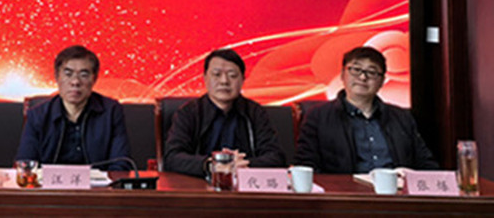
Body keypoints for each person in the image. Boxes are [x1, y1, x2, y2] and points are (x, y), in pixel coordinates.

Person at [294, 46, 438, 173]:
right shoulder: (318, 116)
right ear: (343, 75)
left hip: (395, 191)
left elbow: (425, 163)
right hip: (345, 192)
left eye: (372, 72)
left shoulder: (401, 118)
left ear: (382, 81)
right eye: (356, 70)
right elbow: (306, 166)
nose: (363, 77)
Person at [163, 48, 286, 178]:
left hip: (245, 184)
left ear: (243, 80)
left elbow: (276, 157)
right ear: (205, 78)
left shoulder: (255, 112)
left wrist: (243, 165)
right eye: (217, 74)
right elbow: (172, 157)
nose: (224, 81)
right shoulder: (189, 112)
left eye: (232, 75)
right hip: (200, 185)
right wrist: (211, 165)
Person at [15, 45, 132, 171]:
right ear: (57, 77)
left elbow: (121, 165)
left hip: (97, 183)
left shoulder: (111, 112)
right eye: (68, 74)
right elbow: (25, 164)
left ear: (94, 79)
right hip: (50, 183)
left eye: (84, 75)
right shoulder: (38, 115)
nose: (75, 82)